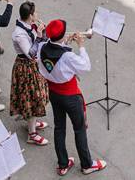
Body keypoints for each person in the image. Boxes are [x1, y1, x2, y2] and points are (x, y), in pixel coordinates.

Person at [34, 20, 107, 176]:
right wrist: (81, 45)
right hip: (70, 96)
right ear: (60, 37)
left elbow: (53, 50)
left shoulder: (42, 47)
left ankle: (63, 164)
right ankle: (87, 165)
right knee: (79, 129)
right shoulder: (67, 56)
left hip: (54, 93)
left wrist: (64, 41)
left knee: (59, 128)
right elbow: (85, 66)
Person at [10, 1, 50, 146]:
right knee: (32, 100)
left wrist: (43, 33)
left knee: (37, 98)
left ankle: (32, 124)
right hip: (26, 69)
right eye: (36, 12)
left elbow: (41, 43)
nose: (38, 14)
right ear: (30, 16)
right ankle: (32, 134)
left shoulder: (28, 25)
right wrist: (39, 36)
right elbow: (31, 54)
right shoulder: (19, 34)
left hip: (33, 67)